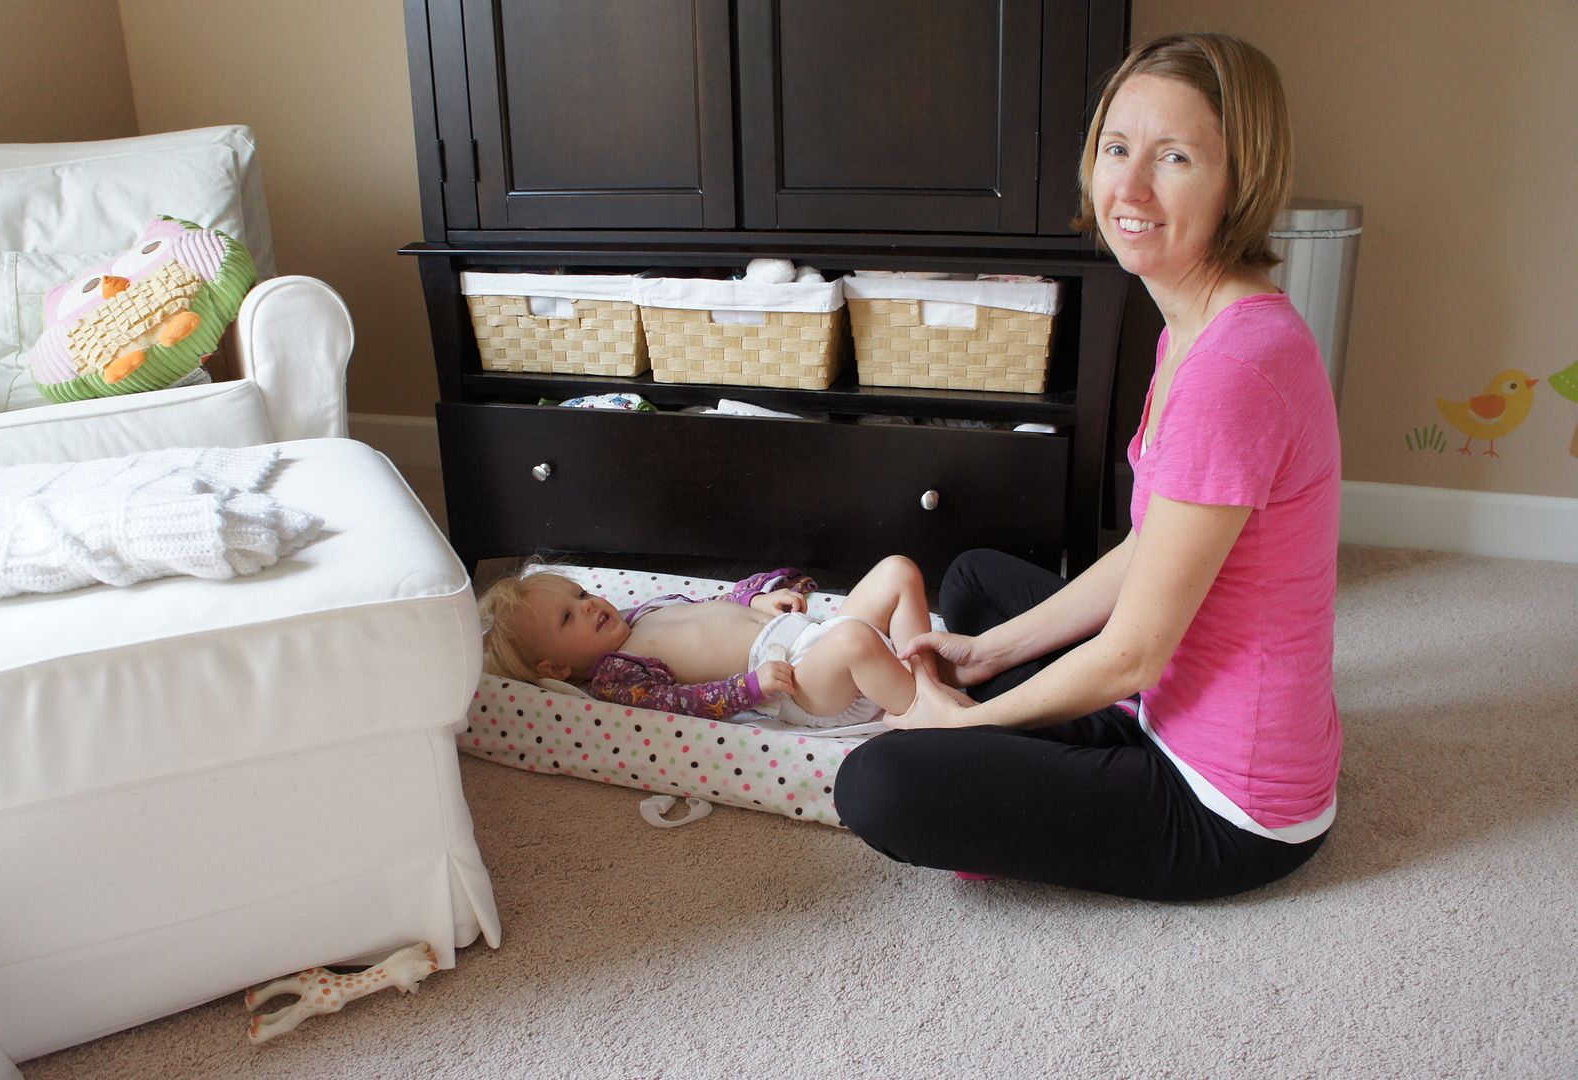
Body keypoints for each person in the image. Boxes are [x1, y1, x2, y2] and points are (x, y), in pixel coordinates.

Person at [833, 32, 1343, 901]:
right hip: (1167, 700)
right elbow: (1151, 546)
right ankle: (995, 706)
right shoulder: (1204, 323)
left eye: (1174, 157)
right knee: (975, 586)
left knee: (879, 784)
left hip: (1226, 803)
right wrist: (988, 653)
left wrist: (961, 728)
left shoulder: (1233, 368)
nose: (1130, 188)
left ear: (1238, 179)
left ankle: (983, 737)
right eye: (1116, 149)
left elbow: (1133, 655)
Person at [479, 555, 935, 727]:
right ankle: (928, 710)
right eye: (567, 616)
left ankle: (927, 672)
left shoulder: (646, 612)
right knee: (856, 639)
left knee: (898, 570)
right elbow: (680, 703)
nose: (588, 604)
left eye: (580, 594)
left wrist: (758, 598)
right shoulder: (618, 675)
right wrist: (750, 688)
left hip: (813, 635)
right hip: (803, 684)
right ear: (557, 669)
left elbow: (715, 602)